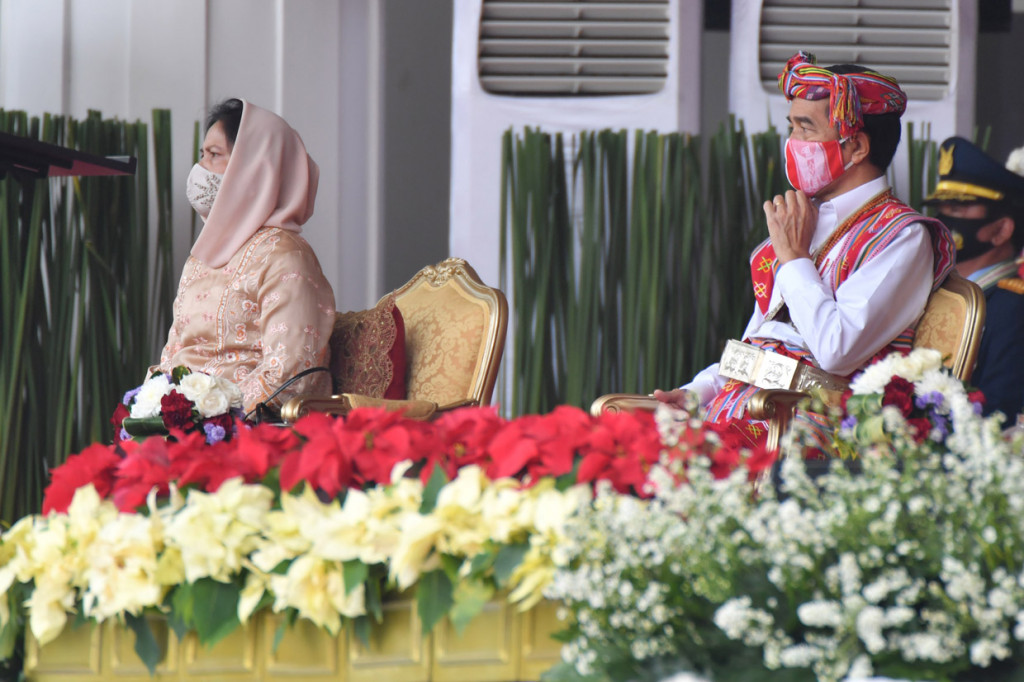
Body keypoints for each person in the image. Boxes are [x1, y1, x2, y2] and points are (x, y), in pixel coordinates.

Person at [655, 51, 955, 447]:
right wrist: (697, 393)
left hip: (817, 431)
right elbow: (760, 343)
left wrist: (795, 259)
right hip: (746, 412)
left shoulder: (901, 236)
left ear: (856, 147)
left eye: (806, 129)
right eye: (792, 127)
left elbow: (836, 352)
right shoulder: (805, 221)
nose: (792, 144)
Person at [152, 98, 336, 413]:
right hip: (185, 425)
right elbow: (172, 356)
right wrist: (151, 409)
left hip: (245, 430)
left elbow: (290, 374)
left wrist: (210, 422)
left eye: (214, 155)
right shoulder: (201, 257)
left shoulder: (285, 255)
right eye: (202, 155)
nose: (199, 169)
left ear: (254, 167)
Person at [924, 136, 1024, 419]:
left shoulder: (1013, 308)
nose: (944, 221)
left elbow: (998, 410)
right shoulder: (935, 289)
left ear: (1001, 230)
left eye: (957, 210)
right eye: (941, 209)